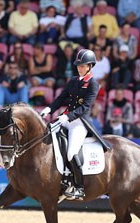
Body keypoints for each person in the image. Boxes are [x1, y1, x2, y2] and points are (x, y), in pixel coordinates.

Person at [40, 49, 110, 200]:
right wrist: (49, 109)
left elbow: (85, 107)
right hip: (65, 119)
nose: (80, 68)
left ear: (90, 66)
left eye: (83, 65)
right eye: (78, 65)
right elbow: (61, 98)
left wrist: (69, 117)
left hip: (80, 123)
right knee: (47, 138)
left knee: (71, 152)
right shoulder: (73, 81)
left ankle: (79, 187)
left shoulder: (93, 85)